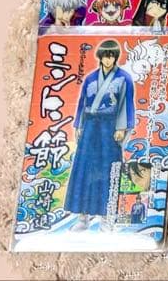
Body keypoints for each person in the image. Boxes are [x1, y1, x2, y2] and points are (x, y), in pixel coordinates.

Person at [64, 39, 135, 231]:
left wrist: (121, 127)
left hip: (109, 127)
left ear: (116, 57)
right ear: (100, 57)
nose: (108, 59)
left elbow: (126, 104)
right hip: (90, 126)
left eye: (111, 55)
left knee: (108, 169)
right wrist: (78, 125)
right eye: (105, 55)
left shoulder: (124, 78)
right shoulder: (90, 78)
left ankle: (106, 219)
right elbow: (82, 102)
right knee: (84, 168)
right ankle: (83, 217)